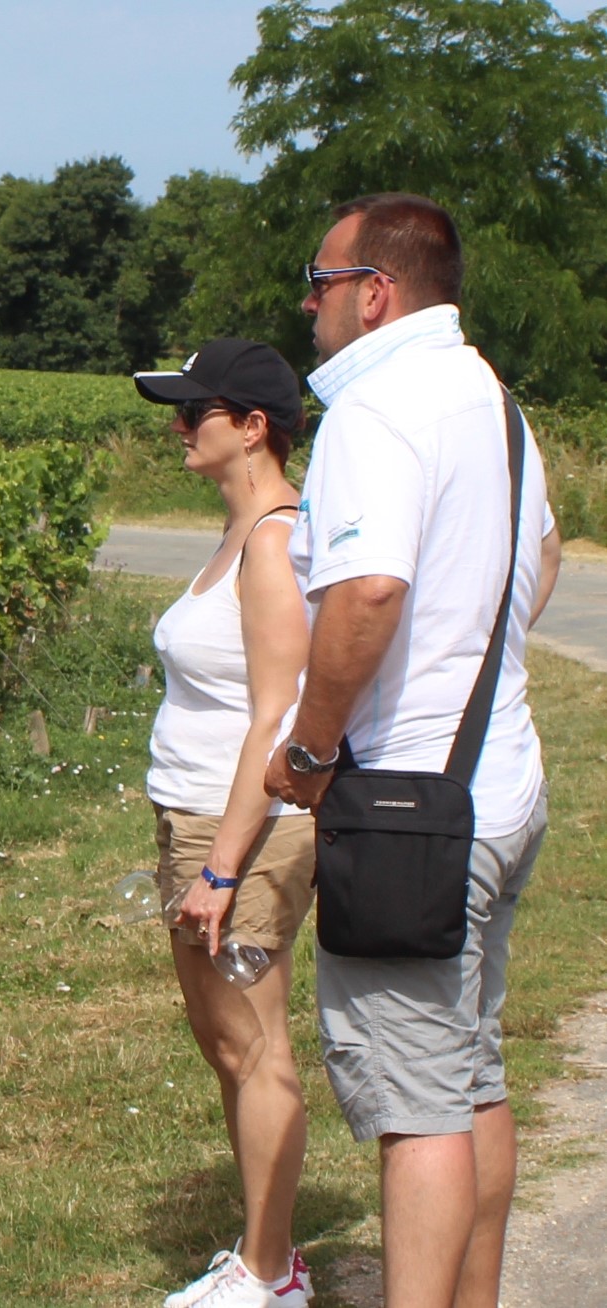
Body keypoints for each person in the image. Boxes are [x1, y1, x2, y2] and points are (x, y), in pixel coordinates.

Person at [265, 194, 560, 1308]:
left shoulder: (379, 409)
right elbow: (543, 559)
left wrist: (312, 745)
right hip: (500, 782)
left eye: (321, 278)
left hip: (408, 806)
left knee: (417, 1107)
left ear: (374, 292)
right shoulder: (494, 403)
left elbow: (369, 591)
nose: (310, 300)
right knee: (472, 1075)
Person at [132, 340, 318, 1308]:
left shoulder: (276, 539)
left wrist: (222, 869)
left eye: (192, 409)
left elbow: (278, 719)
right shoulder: (234, 532)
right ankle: (259, 1247)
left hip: (242, 831)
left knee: (256, 1044)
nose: (177, 426)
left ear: (251, 426)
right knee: (223, 1044)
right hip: (194, 818)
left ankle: (270, 1270)